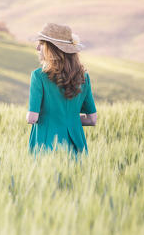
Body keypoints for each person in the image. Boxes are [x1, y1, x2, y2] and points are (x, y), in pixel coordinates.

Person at [27, 23, 97, 155]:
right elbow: (92, 119)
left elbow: (32, 118)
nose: (37, 48)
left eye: (42, 44)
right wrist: (70, 119)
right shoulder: (84, 77)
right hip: (76, 146)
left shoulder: (38, 76)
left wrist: (52, 118)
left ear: (52, 49)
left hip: (46, 145)